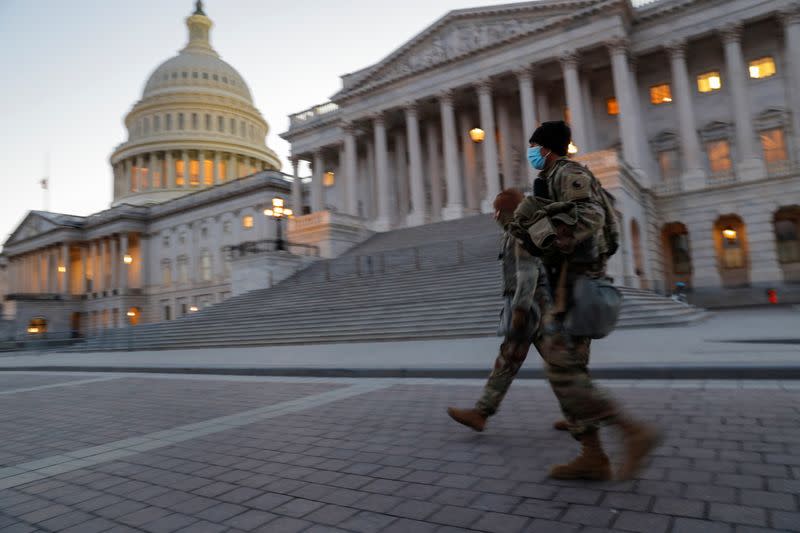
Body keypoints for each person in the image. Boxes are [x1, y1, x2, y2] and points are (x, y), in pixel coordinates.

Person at [509, 120, 659, 481]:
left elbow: (589, 217)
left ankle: (630, 432)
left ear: (545, 148)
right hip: (570, 284)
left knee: (562, 369)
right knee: (570, 369)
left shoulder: (567, 172)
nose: (531, 154)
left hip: (573, 287)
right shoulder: (554, 178)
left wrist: (549, 233)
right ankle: (593, 454)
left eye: (534, 147)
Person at [446, 189, 568, 432]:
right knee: (519, 359)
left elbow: (528, 272)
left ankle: (587, 414)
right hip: (536, 304)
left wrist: (520, 310)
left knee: (552, 362)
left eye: (498, 211)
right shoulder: (523, 230)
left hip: (534, 306)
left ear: (508, 212)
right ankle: (482, 412)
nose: (495, 217)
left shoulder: (521, 232)